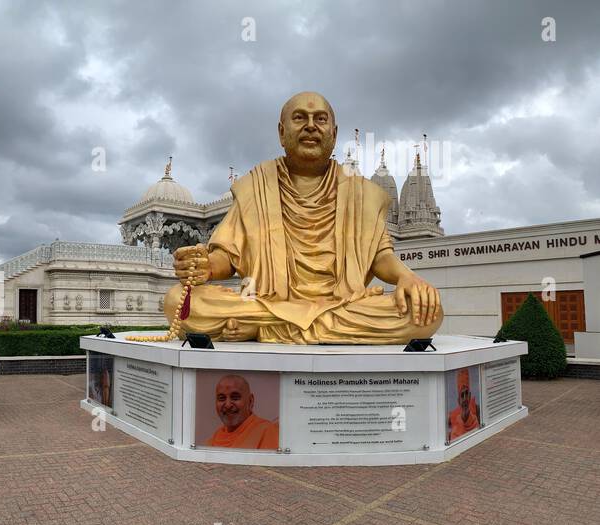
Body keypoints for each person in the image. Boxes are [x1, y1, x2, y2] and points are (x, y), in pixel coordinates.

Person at [166, 91, 443, 344]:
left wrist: (407, 278)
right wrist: (206, 266)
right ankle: (299, 327)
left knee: (428, 313)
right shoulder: (256, 187)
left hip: (340, 303)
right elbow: (227, 255)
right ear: (282, 132)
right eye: (300, 118)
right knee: (176, 300)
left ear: (333, 134)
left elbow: (381, 256)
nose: (311, 126)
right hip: (268, 301)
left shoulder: (361, 193)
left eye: (320, 119)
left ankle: (269, 329)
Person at [205, 374, 279, 450]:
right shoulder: (214, 439)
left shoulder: (266, 431)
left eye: (235, 397)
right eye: (222, 398)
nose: (227, 405)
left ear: (250, 401)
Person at [447, 368, 481, 442]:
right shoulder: (452, 416)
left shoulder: (477, 409)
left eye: (466, 394)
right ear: (459, 400)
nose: (465, 398)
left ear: (469, 396)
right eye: (462, 395)